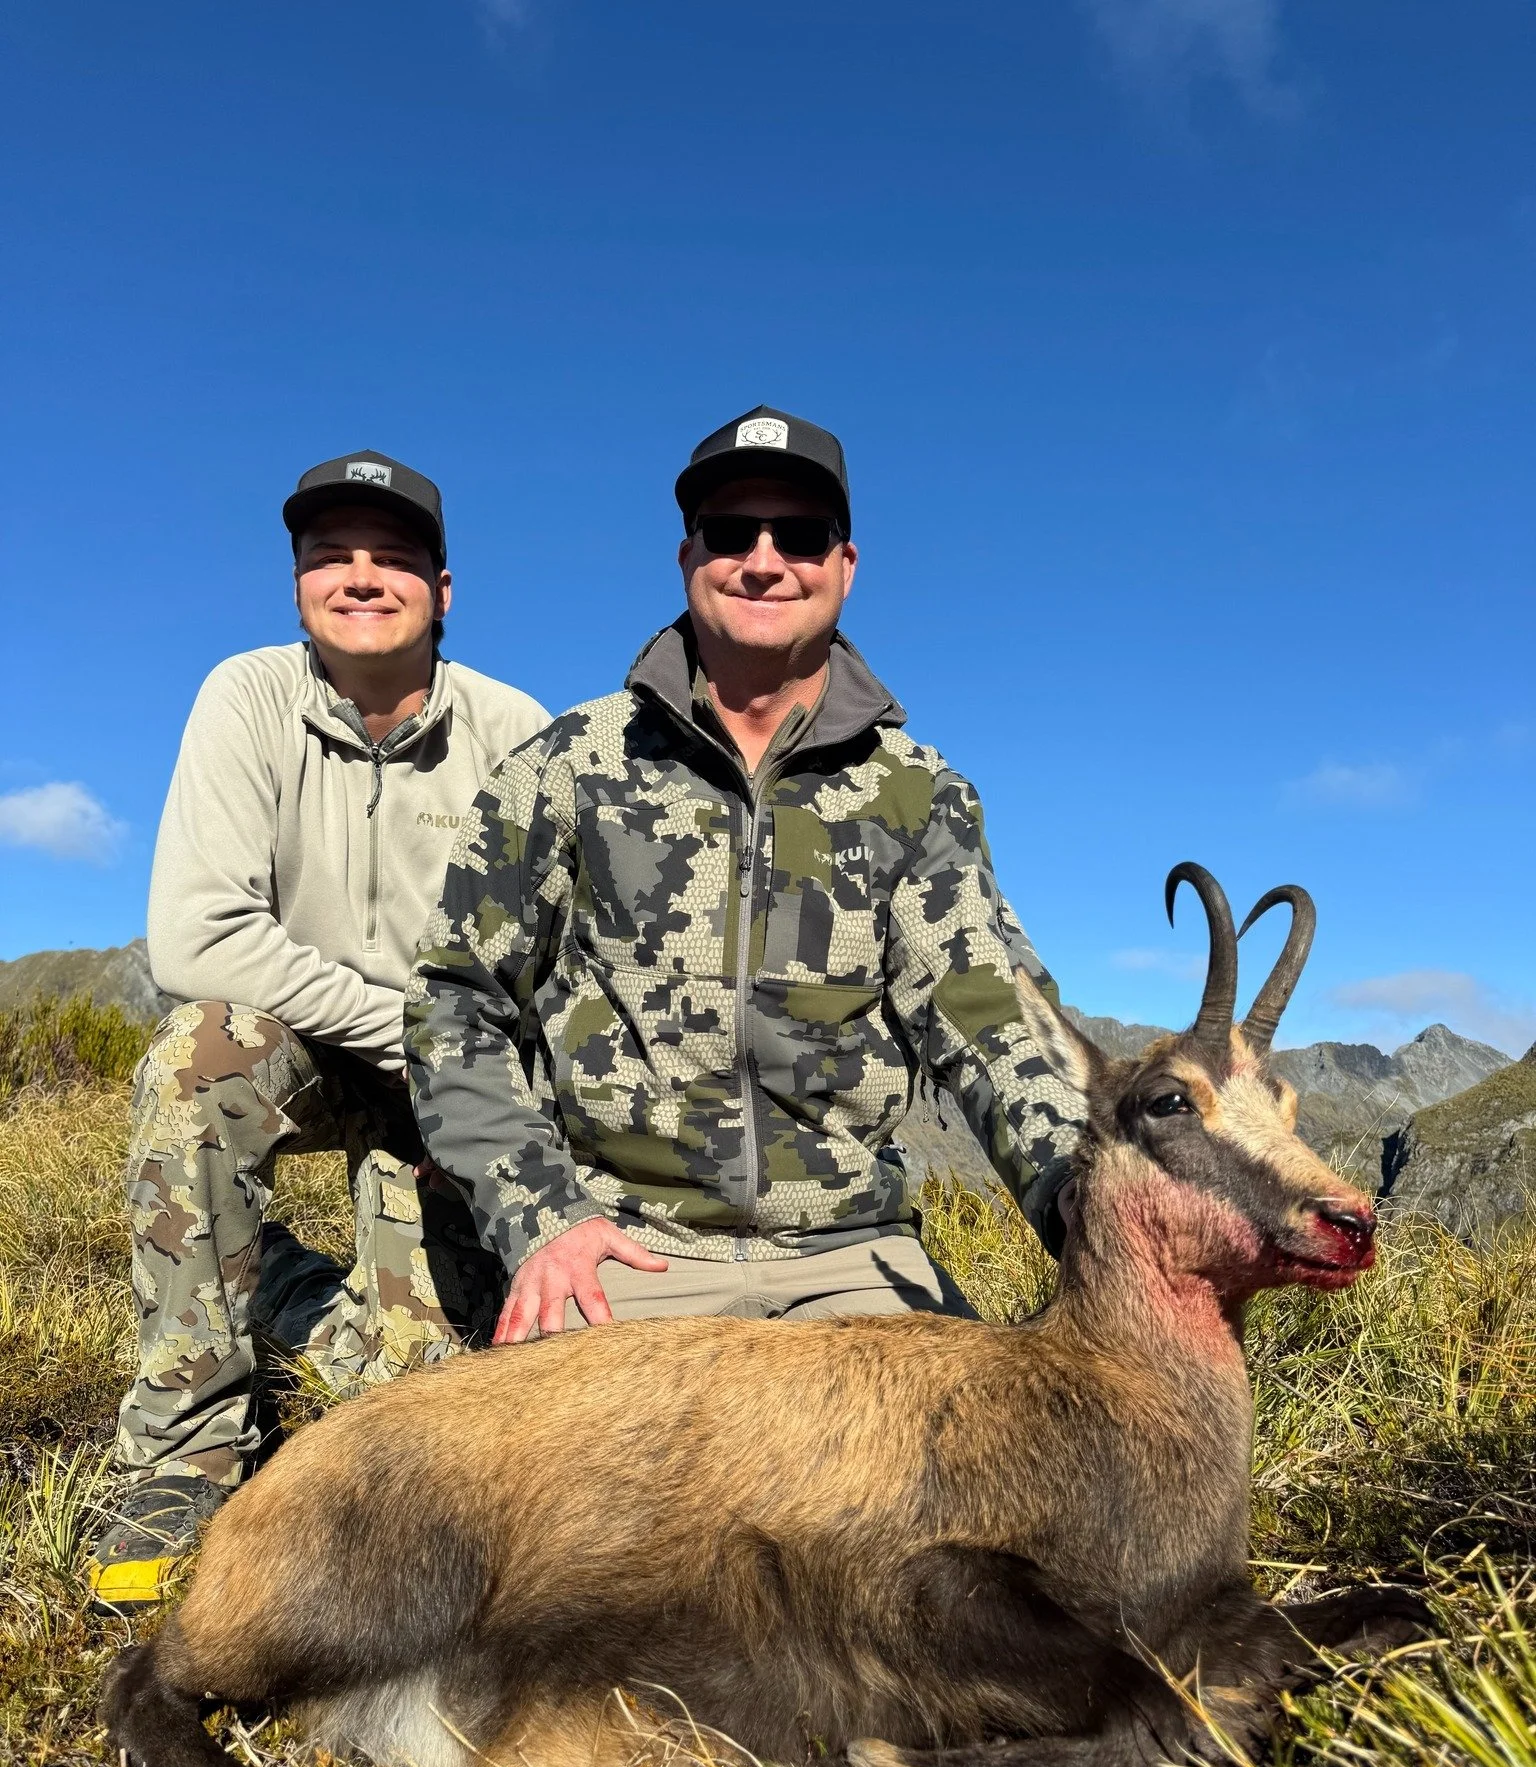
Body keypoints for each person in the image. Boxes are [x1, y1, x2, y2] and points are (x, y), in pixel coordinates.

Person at [408, 407, 1084, 1341]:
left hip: (853, 1258)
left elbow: (992, 1019)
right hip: (626, 1253)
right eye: (732, 533)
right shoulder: (569, 768)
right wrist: (542, 1216)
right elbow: (456, 1001)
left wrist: (1086, 1198)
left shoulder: (919, 794)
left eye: (800, 536)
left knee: (1009, 1434)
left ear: (844, 565)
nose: (764, 562)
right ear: (689, 555)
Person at [86, 451, 551, 1608]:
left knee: (418, 1404)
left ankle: (282, 1288)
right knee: (198, 1054)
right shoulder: (246, 696)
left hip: (449, 1074)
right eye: (330, 555)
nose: (360, 576)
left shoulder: (517, 731)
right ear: (297, 583)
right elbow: (195, 938)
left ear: (444, 590)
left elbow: (552, 962)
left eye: (393, 557)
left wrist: (469, 1083)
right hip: (300, 1041)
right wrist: (400, 1028)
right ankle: (183, 1449)